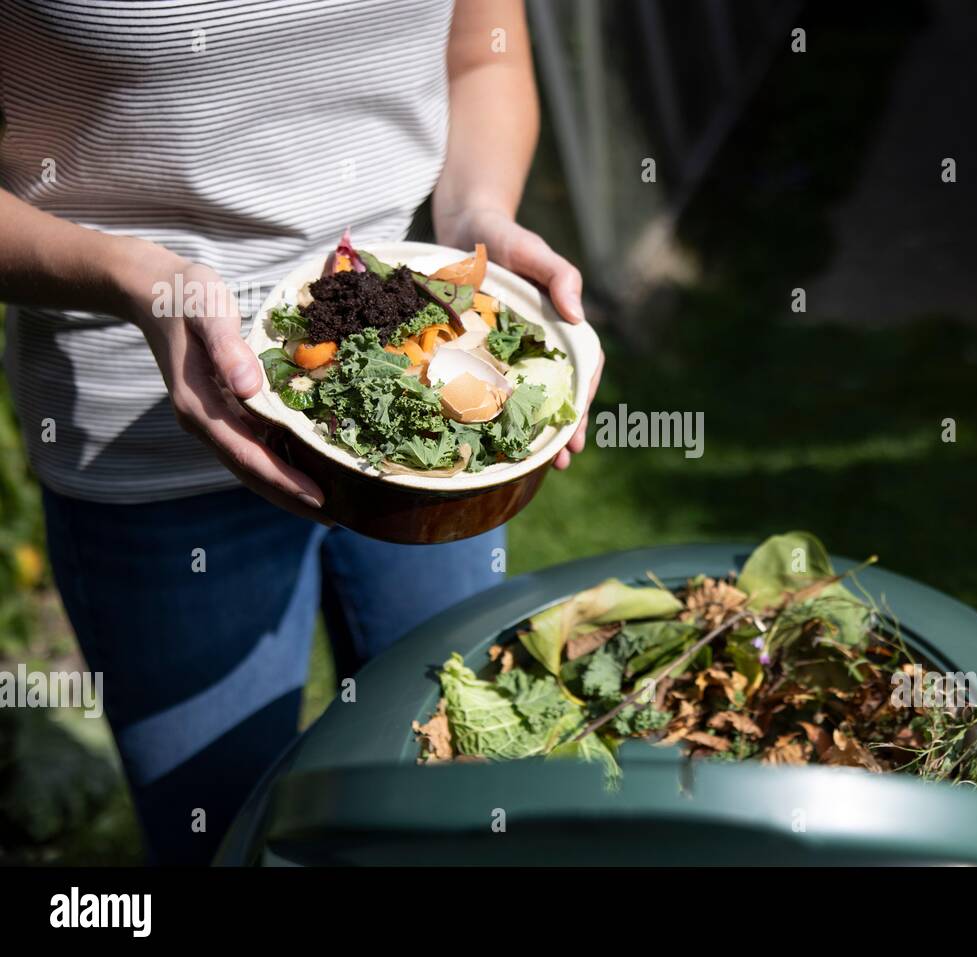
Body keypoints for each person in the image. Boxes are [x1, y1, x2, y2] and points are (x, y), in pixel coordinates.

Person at [0, 0, 600, 864]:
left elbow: (483, 57)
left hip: (417, 422)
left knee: (458, 800)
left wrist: (476, 217)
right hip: (152, 454)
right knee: (231, 835)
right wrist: (135, 279)